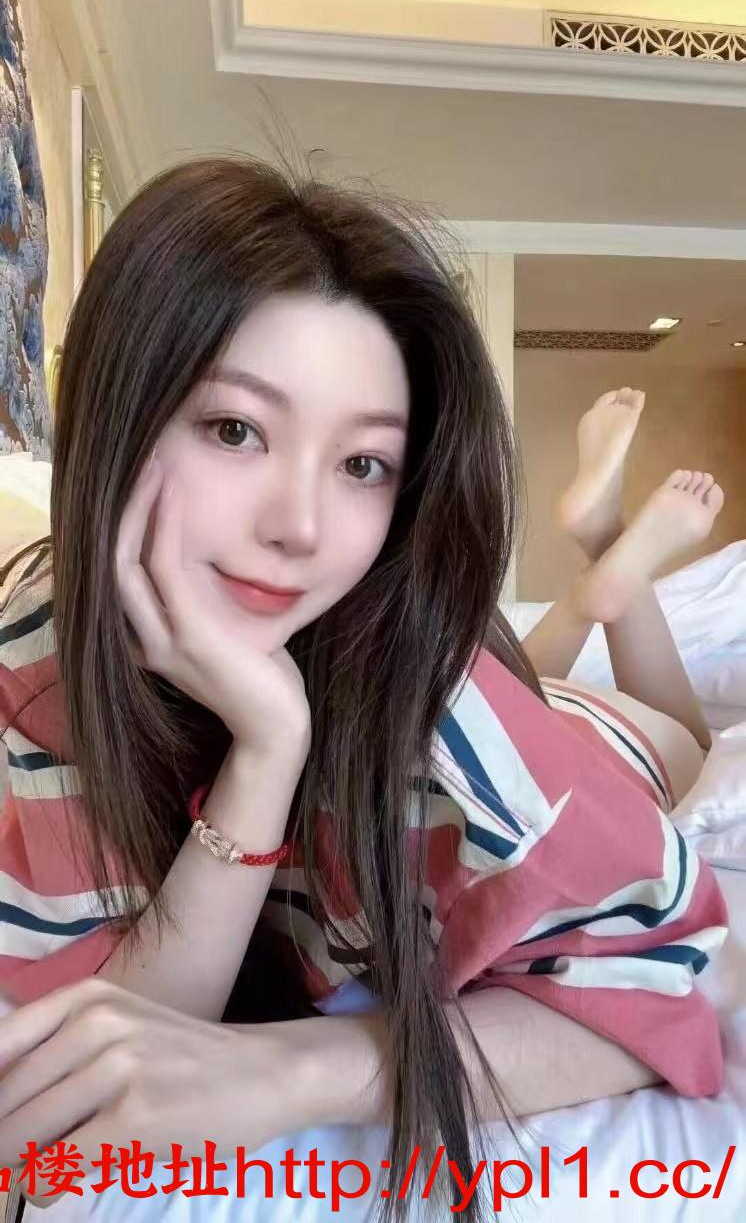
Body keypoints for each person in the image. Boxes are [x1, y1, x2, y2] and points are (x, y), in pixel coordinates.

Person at [0, 159, 728, 1218]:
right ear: (117, 414)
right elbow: (96, 1074)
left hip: (607, 747)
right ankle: (600, 578)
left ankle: (612, 574)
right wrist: (264, 755)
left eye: (362, 465)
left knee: (683, 737)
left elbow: (673, 982)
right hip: (480, 708)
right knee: (533, 668)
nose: (299, 527)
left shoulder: (443, 710)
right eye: (235, 430)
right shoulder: (35, 661)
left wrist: (302, 1067)